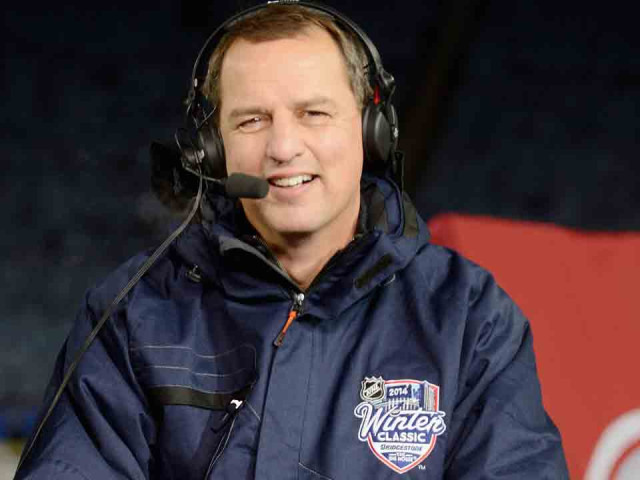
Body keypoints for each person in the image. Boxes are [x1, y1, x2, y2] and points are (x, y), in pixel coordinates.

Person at [16, 2, 569, 478]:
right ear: (213, 150)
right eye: (252, 121)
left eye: (314, 113)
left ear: (371, 131)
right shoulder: (133, 314)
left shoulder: (468, 318)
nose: (283, 147)